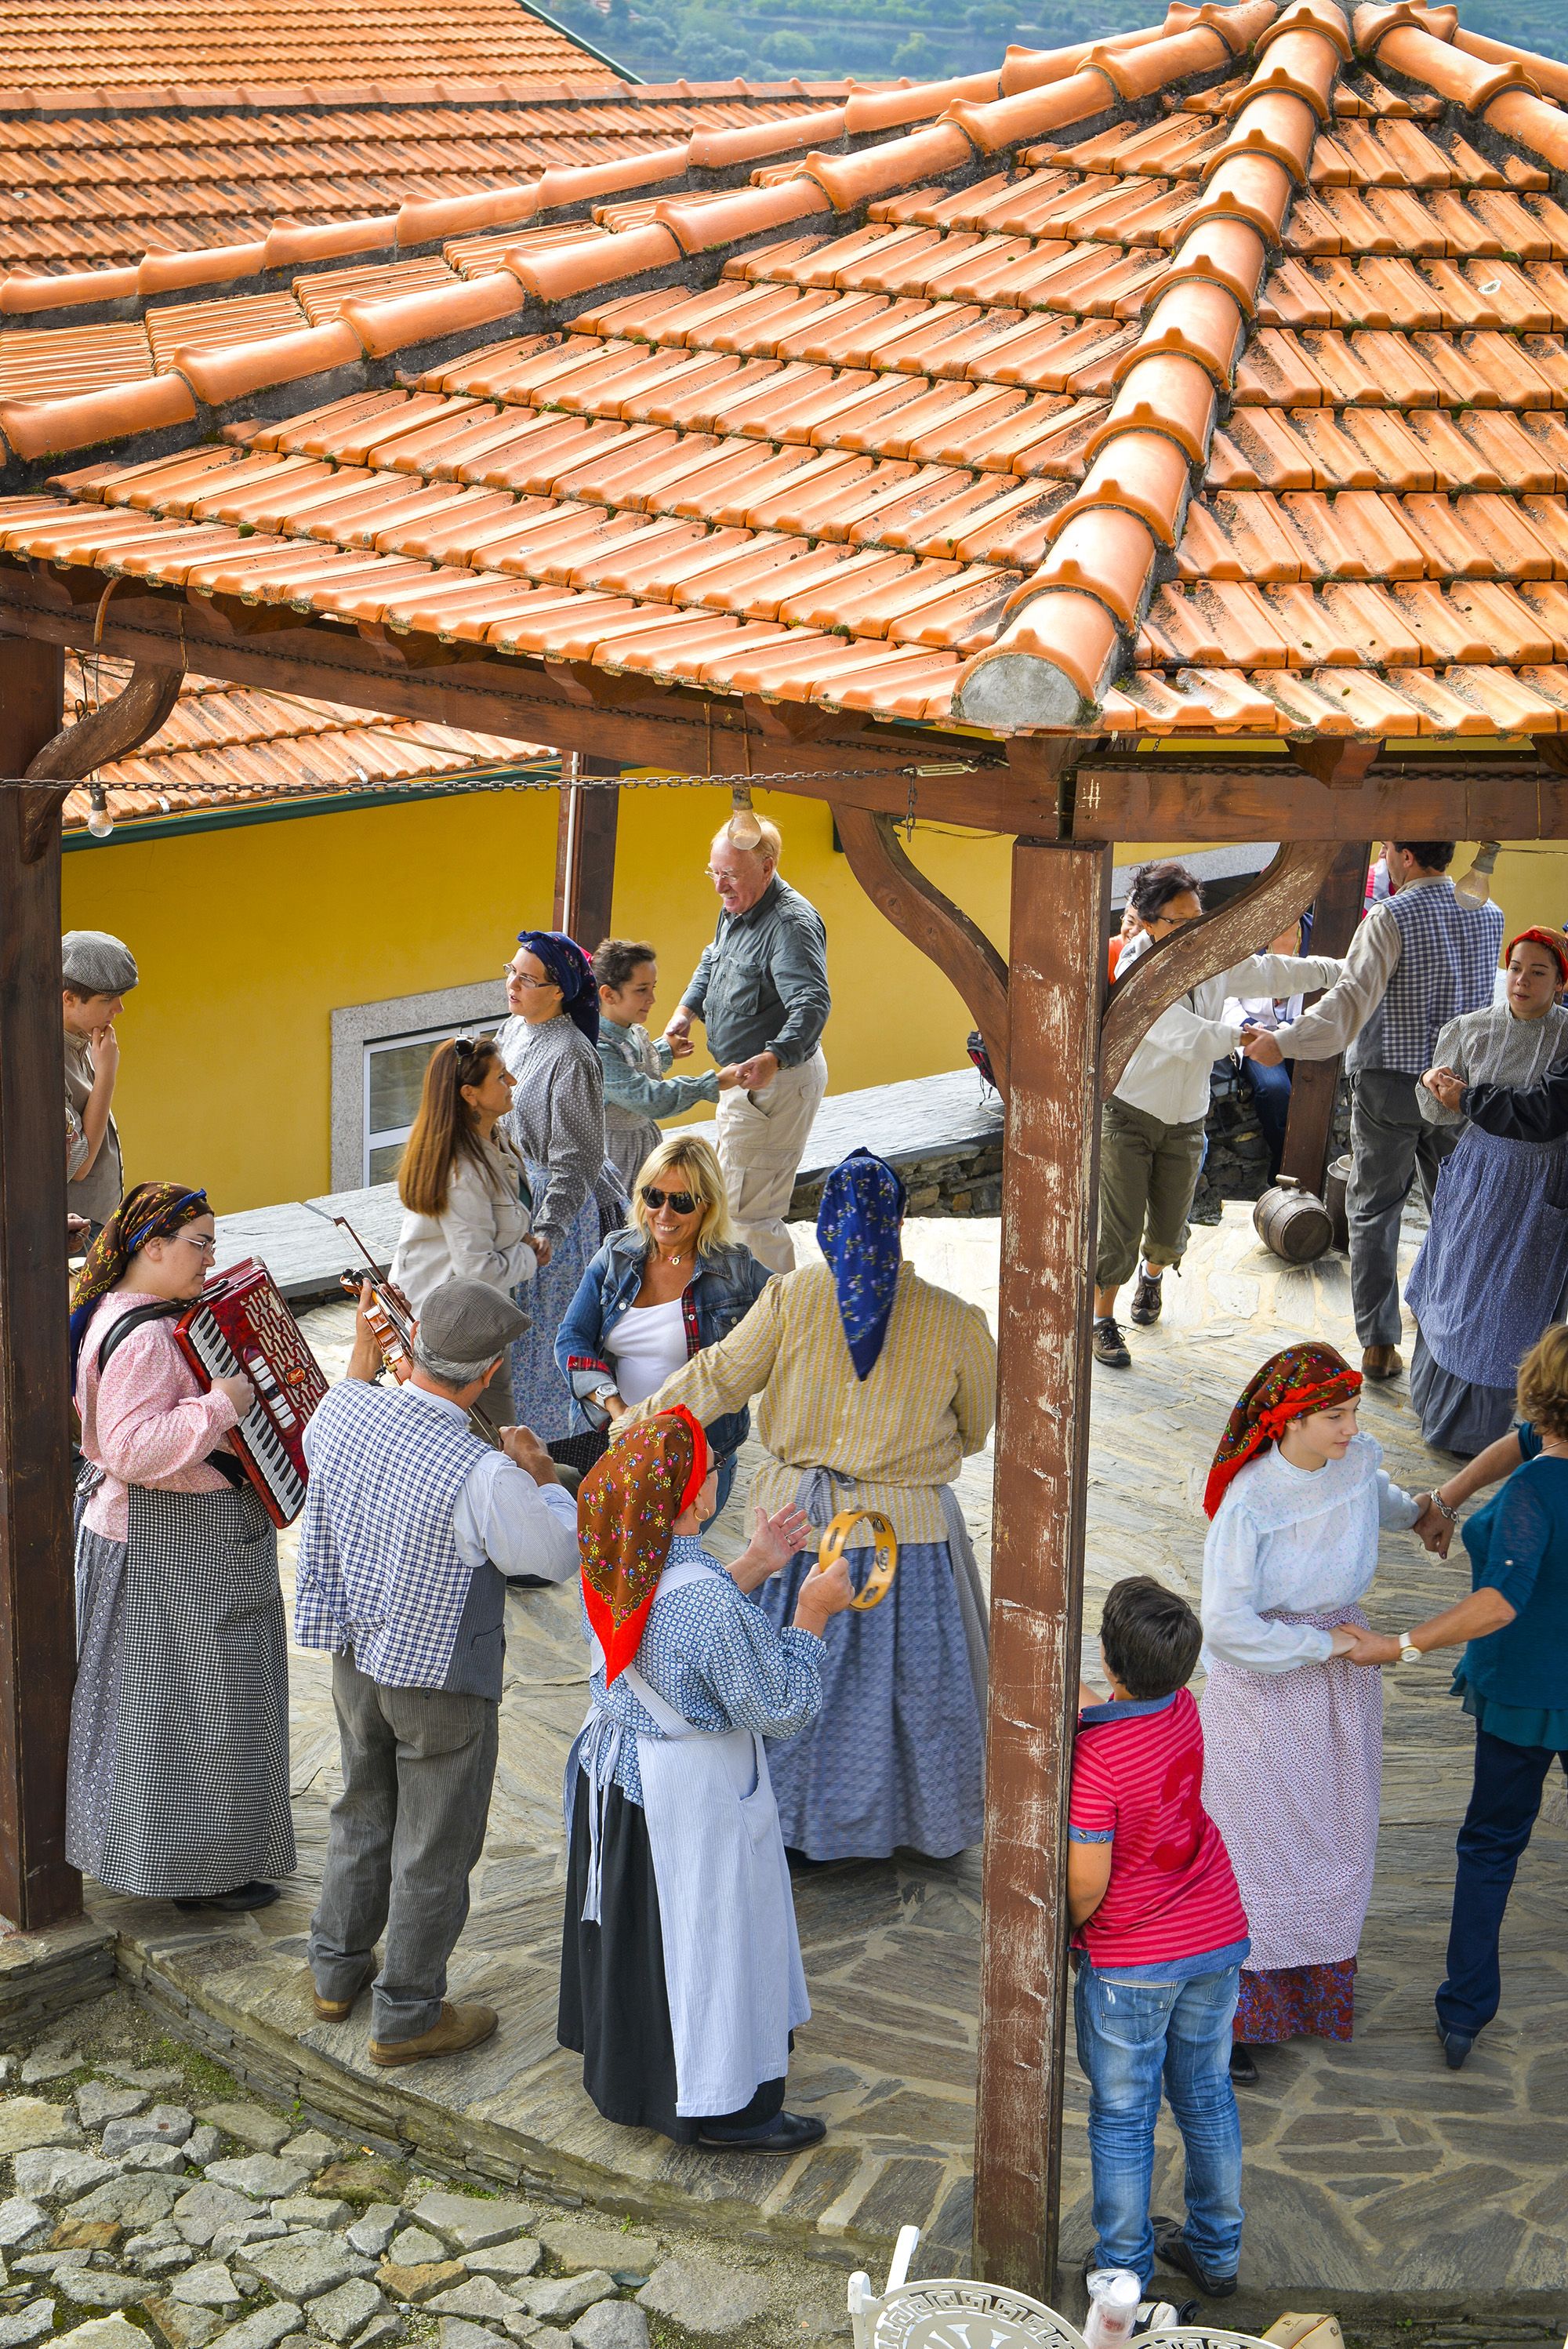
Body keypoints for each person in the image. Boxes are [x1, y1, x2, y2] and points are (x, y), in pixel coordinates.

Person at [625, 1148, 996, 1862]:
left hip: (794, 1529)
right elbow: (977, 1427)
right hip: (909, 1536)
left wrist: (628, 1430)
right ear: (899, 1222)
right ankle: (916, 1827)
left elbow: (718, 1379)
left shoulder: (792, 1299)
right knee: (913, 1691)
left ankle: (786, 1825)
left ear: (826, 1227)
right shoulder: (956, 1321)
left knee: (790, 1672)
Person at [296, 1277, 579, 2067]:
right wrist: (543, 1479)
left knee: (360, 1809)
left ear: (409, 1346)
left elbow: (349, 1390)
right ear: (488, 1372)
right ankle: (409, 2014)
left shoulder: (343, 1413)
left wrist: (364, 1340)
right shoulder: (482, 1471)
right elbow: (552, 1556)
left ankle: (334, 1971)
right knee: (434, 1846)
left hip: (358, 1660)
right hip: (441, 1678)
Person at [558, 1410, 854, 2147]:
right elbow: (782, 1703)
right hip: (686, 1794)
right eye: (710, 1469)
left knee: (645, 1939)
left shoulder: (618, 1547)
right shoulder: (704, 1603)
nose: (720, 1473)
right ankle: (726, 2110)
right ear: (691, 1502)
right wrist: (813, 1612)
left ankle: (637, 2080)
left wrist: (754, 1563)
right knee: (708, 1943)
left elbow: (665, 1625)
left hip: (619, 1782)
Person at [1200, 1345, 1446, 2076]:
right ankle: (1234, 2020)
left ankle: (1307, 1993)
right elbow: (1227, 1626)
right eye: (1334, 1416)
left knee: (1337, 1833)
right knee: (1258, 1842)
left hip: (1342, 1682)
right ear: (1286, 1423)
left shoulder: (1354, 1460)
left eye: (1352, 1412)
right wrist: (1320, 1644)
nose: (1349, 1427)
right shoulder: (1250, 1504)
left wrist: (1423, 1515)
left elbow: (1378, 1494)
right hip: (1268, 1686)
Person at [67, 1182, 295, 1912]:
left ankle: (168, 1857)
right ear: (153, 1247)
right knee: (201, 1707)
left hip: (154, 1537)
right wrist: (224, 1403)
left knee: (161, 1710)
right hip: (175, 1544)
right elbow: (132, 1448)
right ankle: (202, 1871)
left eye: (212, 1243)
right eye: (199, 1243)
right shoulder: (150, 1337)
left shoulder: (112, 1310)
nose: (210, 1258)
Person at [1351, 1327, 1568, 2069]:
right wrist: (1444, 1496)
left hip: (1526, 1695)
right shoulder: (1540, 1453)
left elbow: (1500, 1605)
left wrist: (1399, 1645)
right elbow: (1520, 1442)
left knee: (1490, 1847)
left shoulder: (1540, 1493)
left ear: (1541, 1393)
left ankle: (1466, 2011)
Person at [1240, 842, 1504, 1381]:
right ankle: (1450, 1323)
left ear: (1405, 856)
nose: (1383, 860)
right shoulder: (1491, 915)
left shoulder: (1391, 914)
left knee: (1374, 1209)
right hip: (1459, 1084)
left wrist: (1283, 1042)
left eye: (1386, 850)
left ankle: (1380, 1344)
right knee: (1455, 1206)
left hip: (1391, 1081)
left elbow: (1349, 1002)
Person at [1070, 1577, 1250, 2301]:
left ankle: (1122, 2269)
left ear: (1111, 1662)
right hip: (1214, 1932)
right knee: (1205, 2095)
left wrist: (1069, 1931)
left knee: (1122, 2115)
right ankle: (1216, 2250)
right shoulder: (1184, 1708)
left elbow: (1087, 1881)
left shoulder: (1097, 1760)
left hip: (1134, 1963)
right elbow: (1126, 1713)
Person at [1094, 865, 1341, 1368]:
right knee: (1117, 1226)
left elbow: (1271, 970)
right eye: (1180, 921)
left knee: (1169, 1225)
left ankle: (1154, 1278)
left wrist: (1337, 969)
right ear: (1146, 921)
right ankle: (1102, 1320)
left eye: (1199, 918)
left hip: (1186, 1116)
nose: (1195, 931)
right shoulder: (1135, 969)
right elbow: (1186, 1035)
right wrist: (1247, 1038)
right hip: (1129, 1112)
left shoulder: (1208, 954)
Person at [1406, 928, 1568, 1454]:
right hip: (1479, 1175)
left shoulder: (1567, 1038)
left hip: (1542, 1184)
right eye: (1516, 967)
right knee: (1458, 1285)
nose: (1522, 980)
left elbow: (1547, 1112)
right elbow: (1432, 1112)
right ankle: (1435, 1407)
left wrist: (1467, 1096)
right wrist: (1431, 1083)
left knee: (1515, 1304)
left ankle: (1489, 1429)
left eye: (1538, 971)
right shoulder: (1469, 1029)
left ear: (1560, 984)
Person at [554, 1134, 771, 1505]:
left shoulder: (738, 1271)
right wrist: (617, 1410)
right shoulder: (615, 1255)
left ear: (708, 1205)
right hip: (615, 1449)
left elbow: (793, 1318)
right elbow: (571, 1339)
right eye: (654, 1197)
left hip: (696, 1463)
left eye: (681, 1202)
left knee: (671, 1563)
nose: (664, 1214)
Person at [664, 820, 830, 1276]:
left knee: (749, 1218)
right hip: (744, 1082)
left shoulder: (789, 924)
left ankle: (779, 1325)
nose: (719, 886)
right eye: (713, 873)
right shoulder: (738, 904)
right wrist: (687, 1009)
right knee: (734, 1208)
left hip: (773, 1083)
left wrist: (774, 1057)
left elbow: (812, 1004)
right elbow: (713, 955)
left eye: (730, 875)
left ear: (767, 867)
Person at [497, 928, 625, 1454]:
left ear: (558, 991)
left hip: (562, 1215)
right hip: (523, 1199)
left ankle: (566, 1450)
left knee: (553, 1339)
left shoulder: (571, 1054)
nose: (514, 984)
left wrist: (548, 1228)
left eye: (528, 979)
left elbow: (577, 1159)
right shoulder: (515, 1028)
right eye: (511, 971)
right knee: (523, 1340)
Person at [390, 1035, 542, 1325]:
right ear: (470, 1094)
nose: (512, 1080)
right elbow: (478, 1270)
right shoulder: (463, 1173)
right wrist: (529, 1255)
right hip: (449, 1328)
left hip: (471, 1316)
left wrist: (518, 1237)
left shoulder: (496, 1140)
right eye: (500, 1076)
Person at [593, 939, 741, 1192]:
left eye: (653, 988)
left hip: (642, 1146)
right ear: (608, 994)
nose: (652, 999)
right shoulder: (599, 1048)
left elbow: (634, 1067)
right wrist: (712, 1084)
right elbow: (648, 1097)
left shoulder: (632, 1032)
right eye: (641, 990)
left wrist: (664, 1050)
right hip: (616, 1156)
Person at [1221, 920, 1312, 1185]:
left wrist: (1286, 1032)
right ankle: (1285, 1164)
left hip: (1301, 1031)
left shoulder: (1318, 934)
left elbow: (1326, 991)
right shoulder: (1243, 933)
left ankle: (1298, 1163)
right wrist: (1247, 1027)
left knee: (1312, 1091)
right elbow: (1224, 993)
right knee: (1274, 1089)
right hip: (1253, 1032)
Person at [63, 929, 136, 1237]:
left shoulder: (84, 1040)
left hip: (101, 1219)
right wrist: (106, 1074)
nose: (118, 1009)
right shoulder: (39, 1063)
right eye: (107, 999)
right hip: (72, 1229)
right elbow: (78, 1166)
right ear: (69, 998)